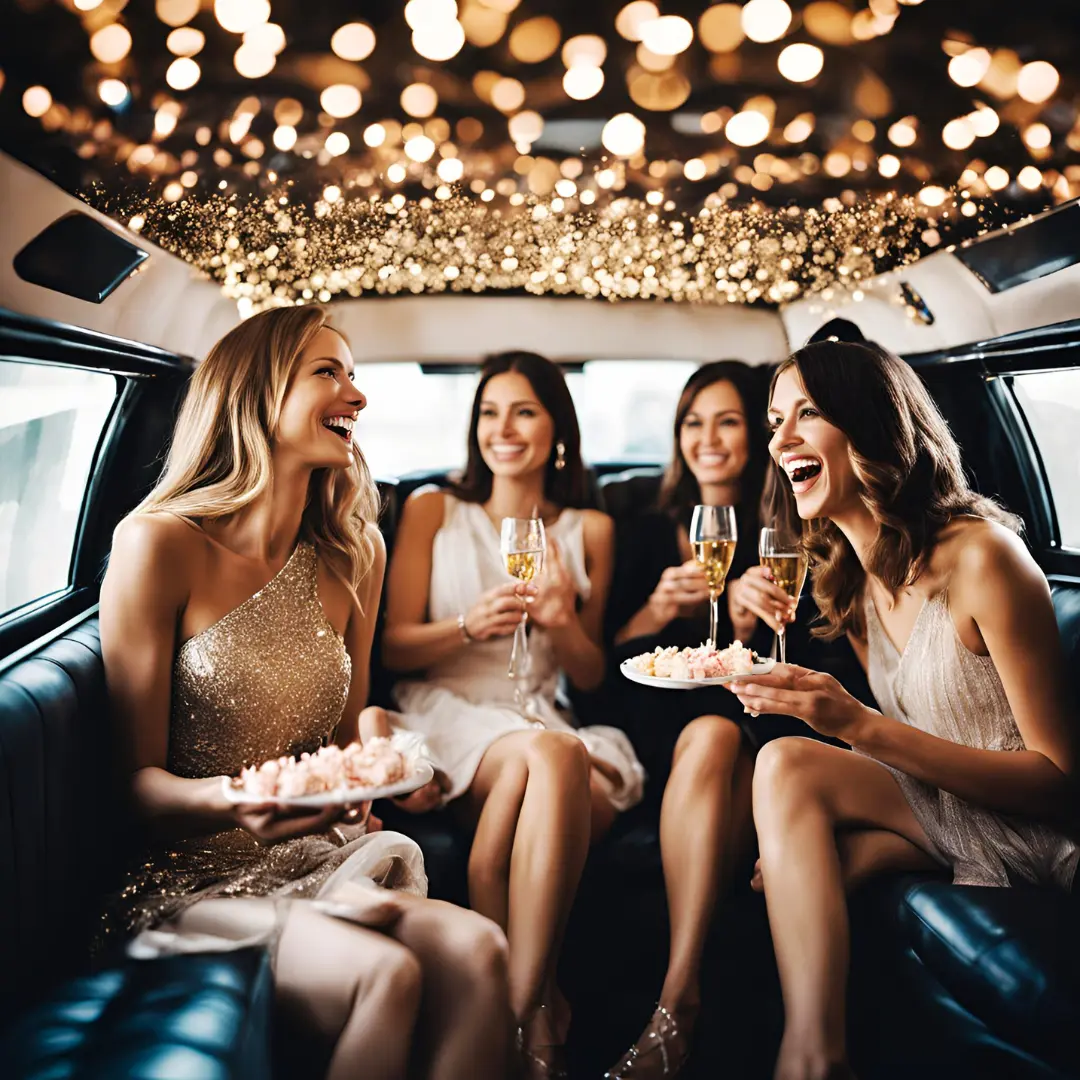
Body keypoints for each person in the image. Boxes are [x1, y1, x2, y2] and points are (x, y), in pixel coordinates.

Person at [98, 306, 511, 1080]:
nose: (356, 395)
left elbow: (352, 733)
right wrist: (235, 800)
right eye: (329, 372)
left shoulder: (355, 553)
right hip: (187, 877)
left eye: (354, 375)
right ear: (255, 393)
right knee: (385, 977)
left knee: (482, 948)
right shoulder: (157, 544)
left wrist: (385, 763)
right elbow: (137, 789)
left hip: (311, 855)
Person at [728, 339, 1079, 1080]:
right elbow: (911, 740)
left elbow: (1059, 781)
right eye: (772, 421)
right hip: (941, 808)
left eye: (807, 414)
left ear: (871, 426)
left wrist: (855, 723)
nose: (779, 439)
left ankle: (811, 1061)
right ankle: (815, 1053)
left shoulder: (985, 559)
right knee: (783, 773)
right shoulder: (849, 581)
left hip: (1034, 830)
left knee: (794, 787)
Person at [369, 349, 644, 1078]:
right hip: (451, 710)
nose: (504, 429)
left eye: (523, 411)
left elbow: (589, 676)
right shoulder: (434, 510)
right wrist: (465, 625)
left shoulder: (591, 529)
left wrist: (558, 619)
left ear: (558, 429)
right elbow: (393, 650)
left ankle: (516, 1003)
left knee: (556, 764)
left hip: (541, 713)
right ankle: (538, 1009)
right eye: (490, 412)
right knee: (557, 760)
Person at [601, 361, 797, 1079]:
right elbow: (601, 669)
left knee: (719, 734)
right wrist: (656, 611)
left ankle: (677, 999)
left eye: (728, 421)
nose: (706, 439)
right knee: (705, 735)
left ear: (758, 433)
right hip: (657, 732)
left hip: (750, 732)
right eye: (692, 422)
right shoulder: (643, 527)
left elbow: (806, 662)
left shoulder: (784, 532)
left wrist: (752, 623)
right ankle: (683, 997)